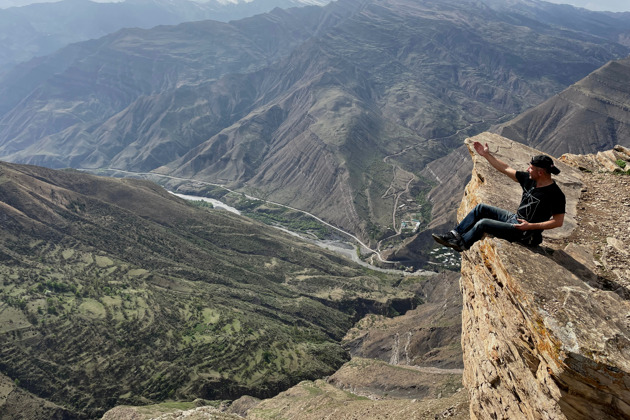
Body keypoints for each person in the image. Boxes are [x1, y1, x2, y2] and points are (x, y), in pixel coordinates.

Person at [432, 141, 565, 252]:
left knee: (483, 224)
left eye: (530, 168)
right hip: (515, 219)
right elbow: (505, 168)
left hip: (525, 233)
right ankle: (455, 234)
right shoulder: (530, 180)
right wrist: (486, 155)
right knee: (481, 208)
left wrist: (530, 226)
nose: (527, 170)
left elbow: (558, 222)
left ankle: (462, 244)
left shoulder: (555, 194)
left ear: (540, 172)